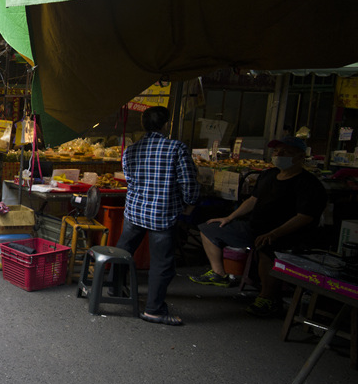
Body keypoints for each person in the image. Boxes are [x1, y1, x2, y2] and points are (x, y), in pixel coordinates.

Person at [192, 136, 328, 317]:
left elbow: (304, 217)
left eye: (285, 152)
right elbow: (252, 200)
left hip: (286, 234)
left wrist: (274, 233)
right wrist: (229, 217)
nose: (278, 155)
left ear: (300, 156)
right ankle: (219, 274)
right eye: (276, 151)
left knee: (266, 247)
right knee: (209, 228)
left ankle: (268, 298)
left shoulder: (309, 184)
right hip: (254, 227)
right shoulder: (269, 175)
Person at [115, 106, 200, 326]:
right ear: (166, 125)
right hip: (162, 213)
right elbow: (188, 182)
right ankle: (154, 309)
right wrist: (189, 204)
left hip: (134, 212)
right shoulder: (176, 148)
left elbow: (131, 181)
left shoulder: (131, 150)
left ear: (144, 125)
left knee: (123, 253)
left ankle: (117, 291)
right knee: (162, 263)